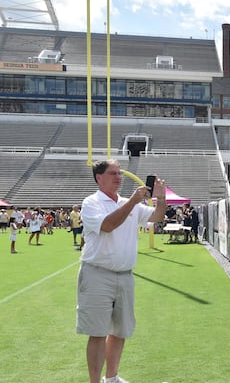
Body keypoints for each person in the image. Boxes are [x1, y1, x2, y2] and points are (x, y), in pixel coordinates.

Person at [76, 159, 167, 383]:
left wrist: (161, 198)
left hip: (125, 275)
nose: (119, 177)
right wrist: (134, 201)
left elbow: (157, 216)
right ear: (99, 178)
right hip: (98, 273)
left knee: (120, 330)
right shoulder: (91, 202)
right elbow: (107, 225)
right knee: (97, 332)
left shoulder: (129, 202)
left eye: (119, 173)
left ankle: (112, 377)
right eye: (113, 173)